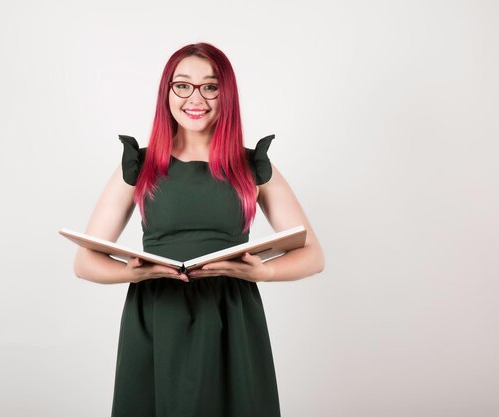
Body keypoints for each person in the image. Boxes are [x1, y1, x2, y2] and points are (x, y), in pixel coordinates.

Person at [73, 42, 325, 417]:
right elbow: (84, 261)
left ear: (226, 95)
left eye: (210, 86)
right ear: (167, 93)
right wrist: (132, 273)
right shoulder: (139, 166)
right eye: (183, 85)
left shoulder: (250, 165)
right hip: (158, 317)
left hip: (231, 319)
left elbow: (313, 255)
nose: (197, 98)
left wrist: (262, 270)